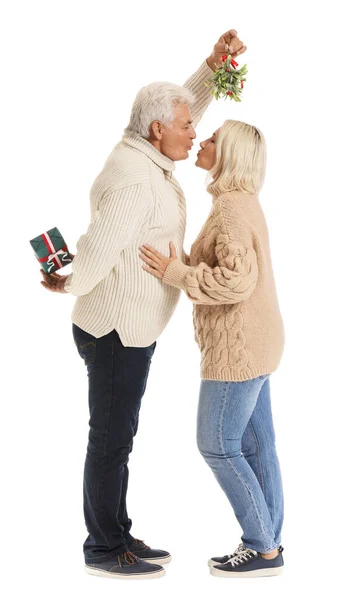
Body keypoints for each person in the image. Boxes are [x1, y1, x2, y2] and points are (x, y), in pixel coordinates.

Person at [40, 31, 247, 579]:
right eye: (185, 127)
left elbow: (183, 106)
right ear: (158, 131)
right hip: (113, 332)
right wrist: (65, 282)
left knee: (118, 435)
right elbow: (99, 251)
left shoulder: (147, 146)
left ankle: (117, 531)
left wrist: (213, 65)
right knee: (110, 439)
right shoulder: (134, 179)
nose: (194, 133)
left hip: (131, 329)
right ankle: (103, 548)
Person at [139, 120, 285, 578]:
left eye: (214, 140)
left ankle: (263, 548)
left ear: (230, 156)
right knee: (259, 448)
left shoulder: (230, 212)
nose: (202, 141)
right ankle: (269, 545)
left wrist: (174, 272)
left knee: (217, 444)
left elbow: (235, 281)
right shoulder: (239, 202)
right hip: (260, 343)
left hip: (236, 351)